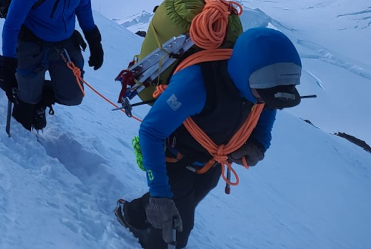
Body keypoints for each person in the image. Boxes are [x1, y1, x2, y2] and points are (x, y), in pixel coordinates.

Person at [115, 27, 303, 249]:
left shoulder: (259, 87)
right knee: (173, 235)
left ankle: (132, 213)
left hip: (211, 159)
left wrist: (258, 144)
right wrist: (159, 195)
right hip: (174, 157)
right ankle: (144, 229)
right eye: (264, 95)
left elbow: (267, 107)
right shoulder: (197, 84)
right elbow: (151, 132)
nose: (265, 101)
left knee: (191, 195)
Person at [0, 0, 103, 132]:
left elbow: (84, 7)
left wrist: (94, 39)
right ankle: (28, 100)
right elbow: (12, 25)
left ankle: (38, 99)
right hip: (31, 43)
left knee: (73, 96)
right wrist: (7, 63)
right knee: (27, 100)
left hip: (63, 44)